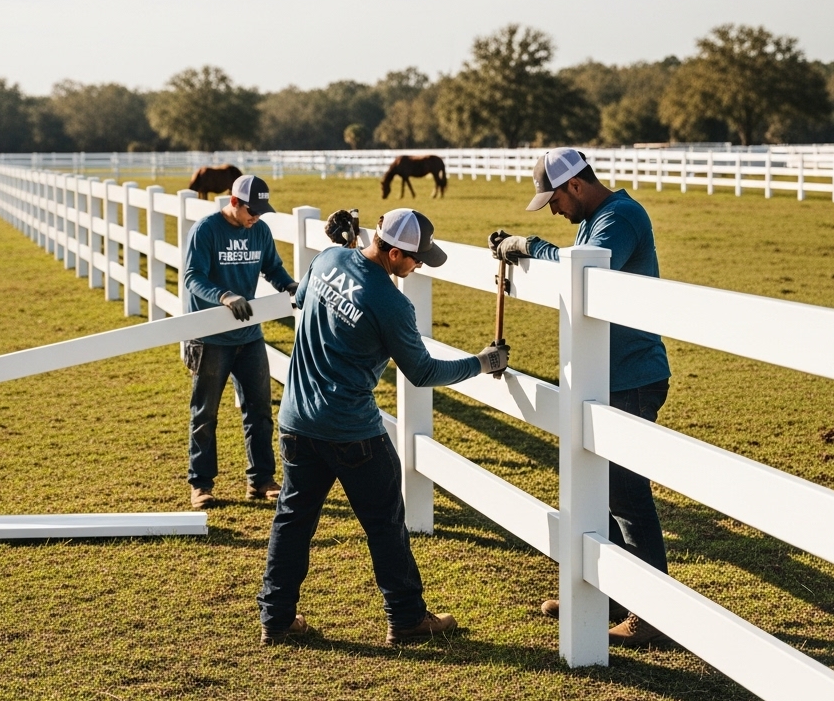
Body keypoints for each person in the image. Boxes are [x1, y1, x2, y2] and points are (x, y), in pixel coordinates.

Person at [257, 208, 510, 646]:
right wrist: (482, 362)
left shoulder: (327, 259)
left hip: (297, 419)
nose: (418, 266)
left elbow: (302, 299)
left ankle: (276, 619)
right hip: (351, 429)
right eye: (415, 259)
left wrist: (346, 246)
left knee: (293, 520)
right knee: (386, 522)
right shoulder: (392, 304)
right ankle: (407, 617)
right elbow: (423, 371)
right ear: (394, 253)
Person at [489, 147, 671, 647]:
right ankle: (608, 594)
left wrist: (531, 246)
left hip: (631, 375)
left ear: (575, 185)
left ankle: (648, 612)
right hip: (606, 373)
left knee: (626, 493)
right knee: (601, 491)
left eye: (554, 199)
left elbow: (580, 269)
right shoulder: (598, 219)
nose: (552, 209)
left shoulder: (620, 217)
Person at [183, 174, 298, 509]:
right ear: (233, 202)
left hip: (249, 336)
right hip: (210, 338)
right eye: (252, 209)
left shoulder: (259, 231)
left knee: (260, 410)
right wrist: (224, 295)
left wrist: (290, 287)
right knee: (205, 413)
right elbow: (193, 276)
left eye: (261, 211)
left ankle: (261, 480)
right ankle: (201, 484)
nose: (257, 217)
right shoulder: (206, 230)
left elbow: (272, 268)